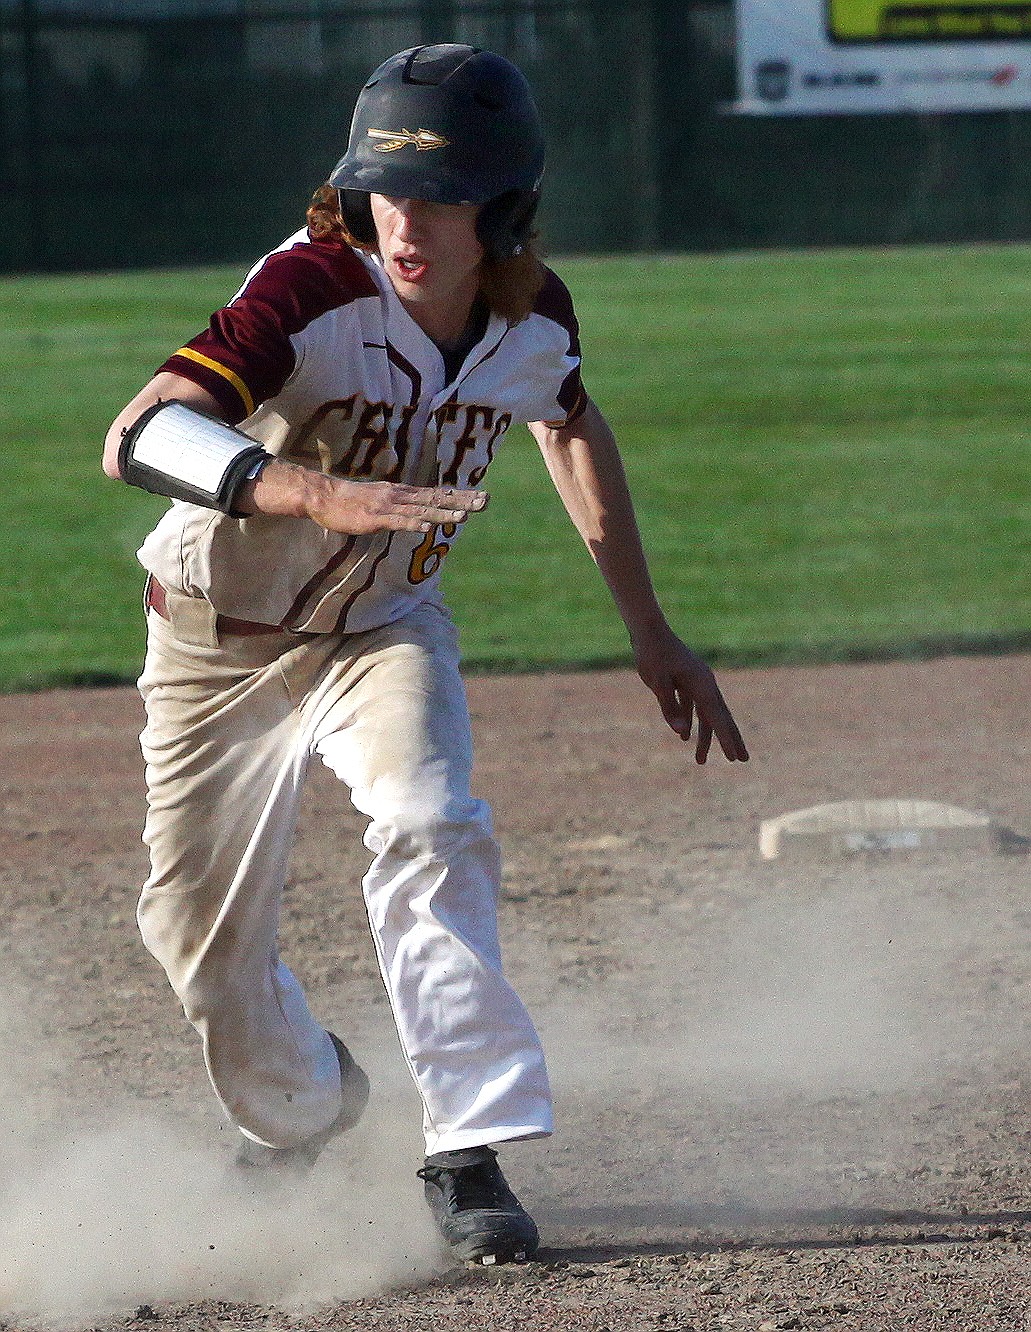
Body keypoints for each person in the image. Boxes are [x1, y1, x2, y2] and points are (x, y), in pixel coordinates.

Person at [102, 42, 749, 1268]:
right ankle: (307, 1103)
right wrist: (297, 487)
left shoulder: (528, 314)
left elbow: (564, 419)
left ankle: (465, 1143)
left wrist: (648, 631)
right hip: (214, 649)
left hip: (383, 633)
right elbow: (139, 435)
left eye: (444, 196)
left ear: (500, 210)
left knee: (430, 815)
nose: (409, 222)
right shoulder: (307, 292)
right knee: (196, 944)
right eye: (387, 191)